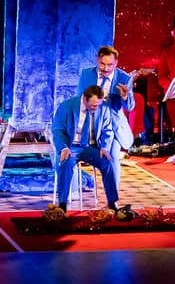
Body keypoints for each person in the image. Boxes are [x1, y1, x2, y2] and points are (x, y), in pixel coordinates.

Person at [51, 84, 122, 213]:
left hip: (89, 147)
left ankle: (112, 203)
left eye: (98, 105)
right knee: (66, 163)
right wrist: (63, 148)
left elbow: (108, 130)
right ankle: (62, 205)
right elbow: (57, 130)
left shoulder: (103, 108)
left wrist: (105, 147)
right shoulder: (67, 106)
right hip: (70, 146)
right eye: (93, 105)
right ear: (84, 98)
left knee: (108, 163)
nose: (96, 108)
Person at [76, 45, 137, 193]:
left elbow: (130, 107)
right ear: (97, 60)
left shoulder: (124, 78)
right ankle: (73, 190)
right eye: (102, 64)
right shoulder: (86, 74)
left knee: (113, 155)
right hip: (90, 124)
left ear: (116, 63)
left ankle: (113, 197)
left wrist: (124, 97)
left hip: (112, 126)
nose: (106, 68)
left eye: (110, 64)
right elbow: (79, 99)